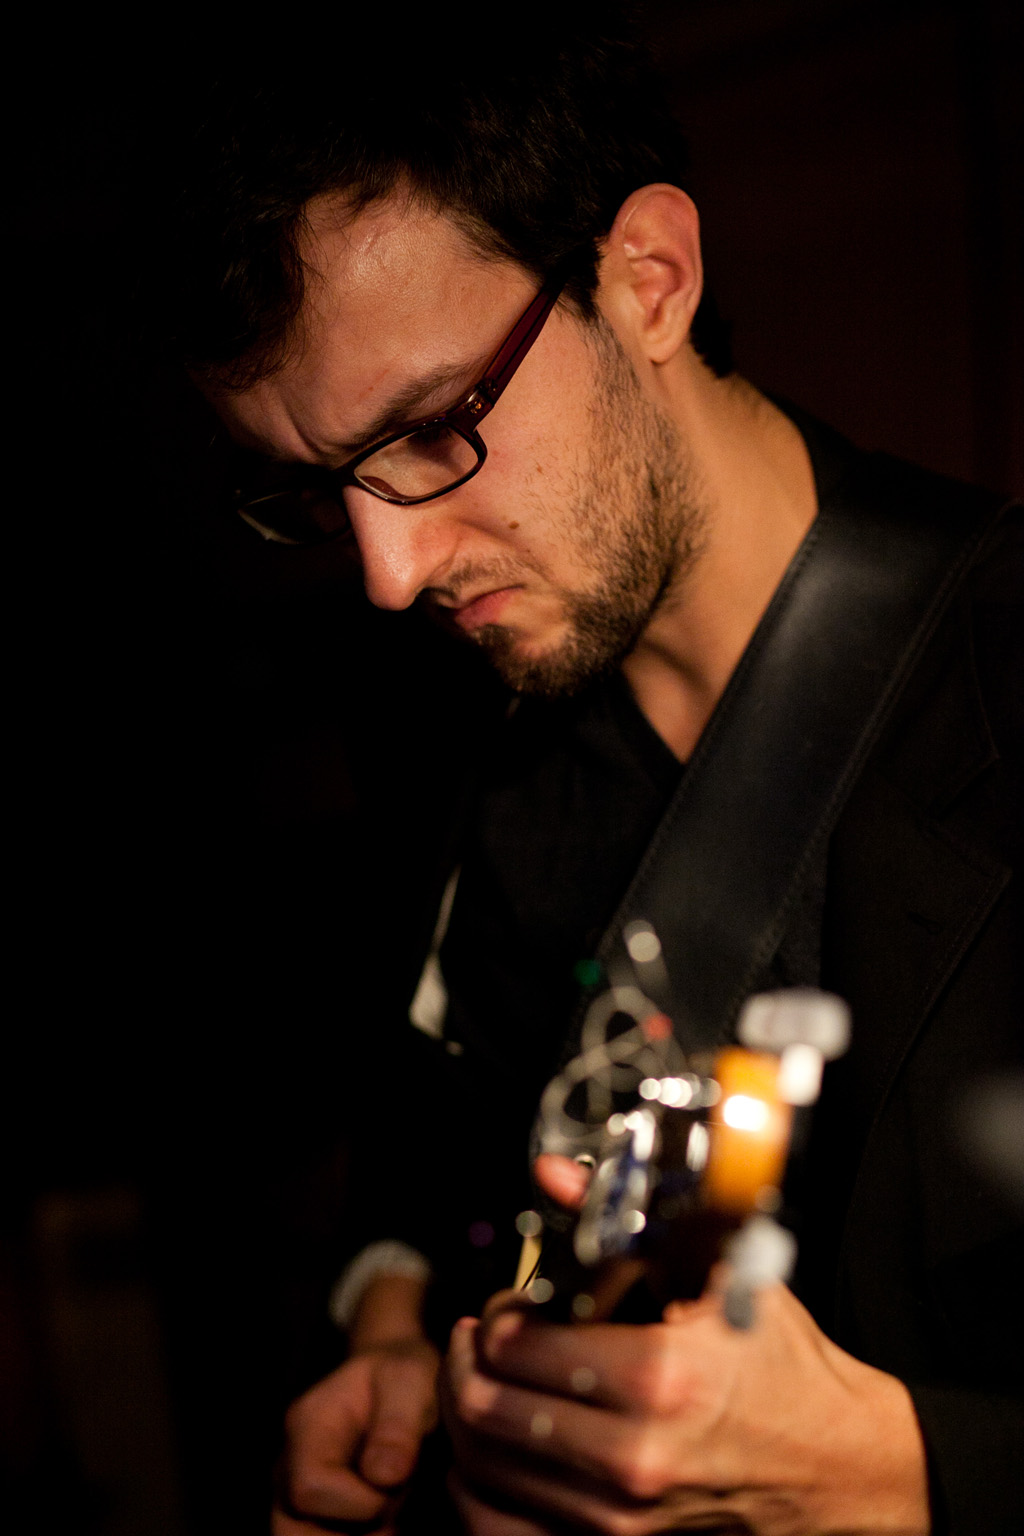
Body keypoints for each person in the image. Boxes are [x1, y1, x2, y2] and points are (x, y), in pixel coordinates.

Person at [165, 10, 1022, 1533]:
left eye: (432, 430)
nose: (387, 573)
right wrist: (390, 1324)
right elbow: (429, 1127)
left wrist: (905, 1476)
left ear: (650, 280)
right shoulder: (452, 709)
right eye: (317, 490)